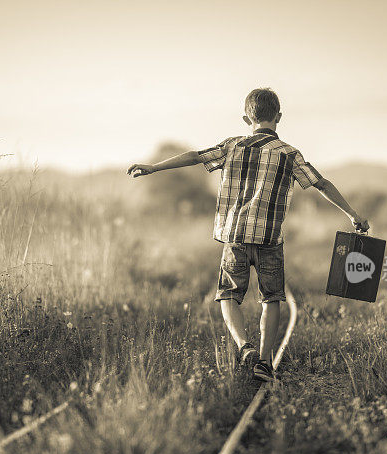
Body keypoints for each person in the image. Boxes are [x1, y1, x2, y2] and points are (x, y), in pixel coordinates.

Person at [127, 88, 368, 381]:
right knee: (272, 298)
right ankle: (265, 363)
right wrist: (353, 214)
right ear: (278, 117)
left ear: (246, 118)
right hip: (269, 239)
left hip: (235, 237)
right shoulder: (289, 154)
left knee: (228, 295)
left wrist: (153, 167)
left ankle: (244, 347)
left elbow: (194, 157)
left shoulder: (232, 146)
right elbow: (321, 184)